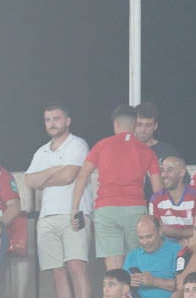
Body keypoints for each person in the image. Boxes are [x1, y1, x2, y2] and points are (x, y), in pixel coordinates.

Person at [69, 105, 162, 271]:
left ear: (116, 124)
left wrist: (75, 208)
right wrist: (158, 218)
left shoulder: (101, 145)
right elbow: (158, 189)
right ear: (134, 125)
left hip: (106, 210)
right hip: (135, 210)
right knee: (136, 262)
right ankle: (134, 297)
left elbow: (82, 176)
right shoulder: (147, 151)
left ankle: (117, 296)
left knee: (113, 269)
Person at [23, 104, 92, 298]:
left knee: (76, 267)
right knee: (57, 272)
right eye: (48, 120)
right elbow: (29, 180)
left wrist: (44, 177)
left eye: (56, 118)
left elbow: (69, 175)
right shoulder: (42, 151)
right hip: (46, 217)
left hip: (75, 212)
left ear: (67, 121)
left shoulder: (77, 144)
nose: (52, 123)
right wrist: (54, 170)